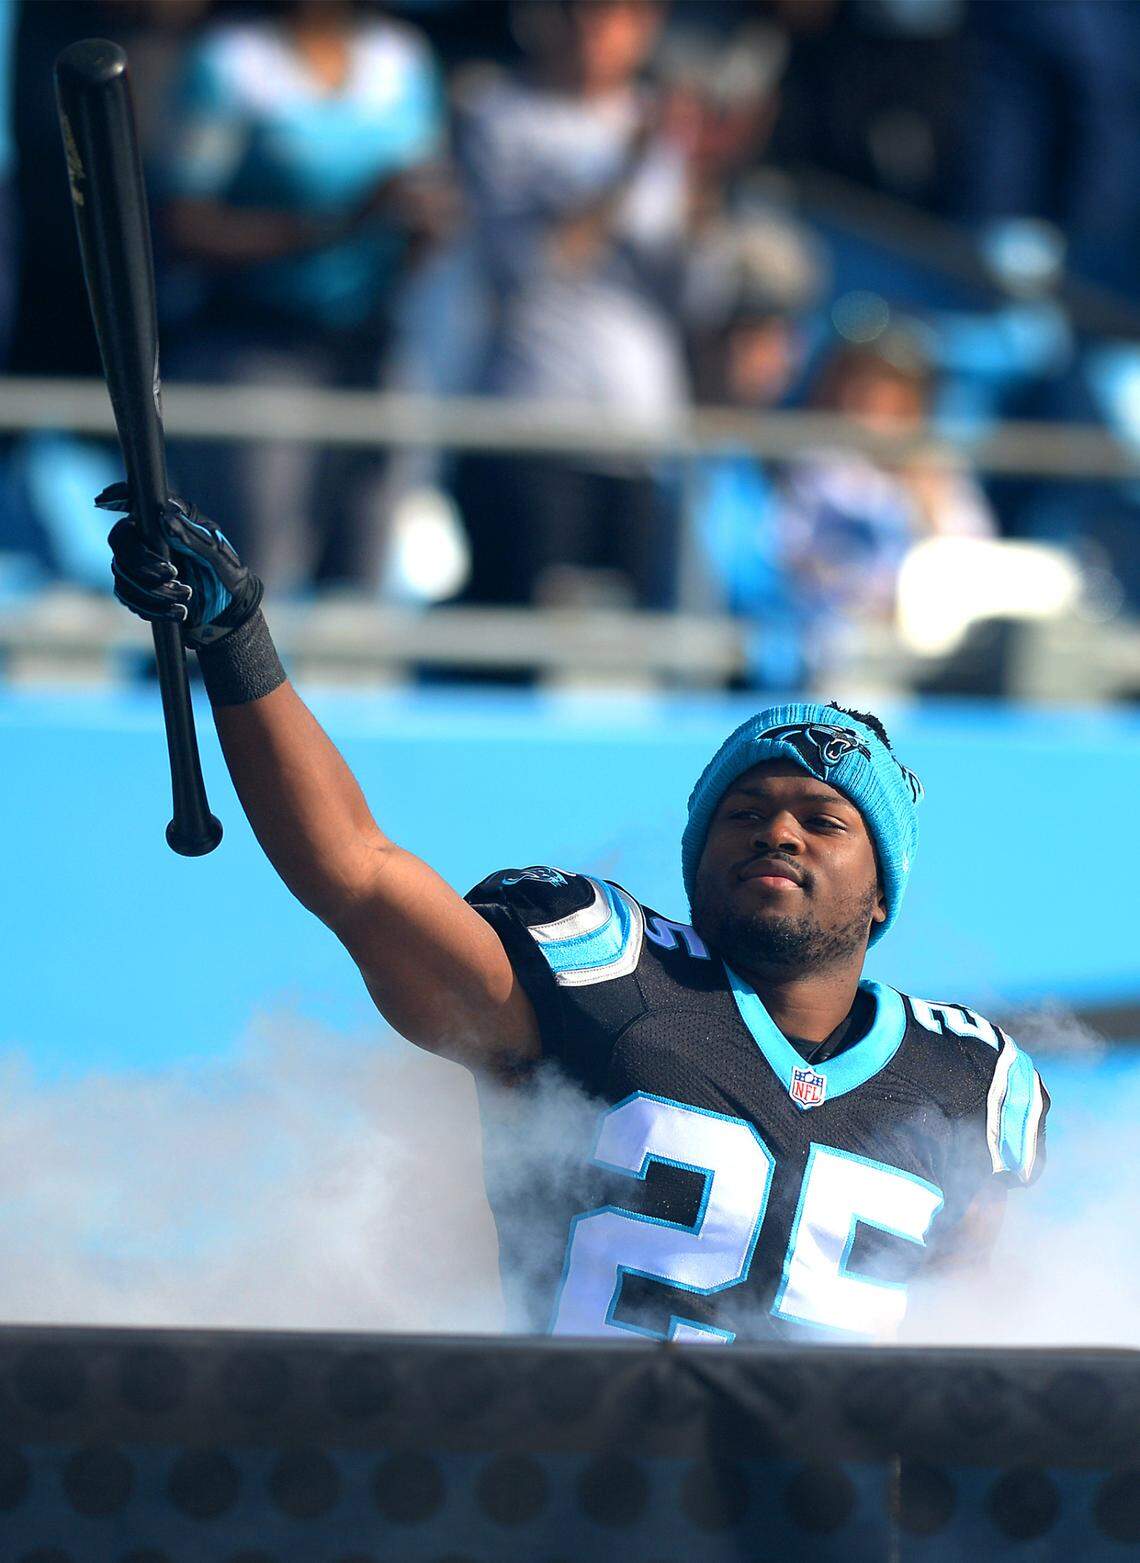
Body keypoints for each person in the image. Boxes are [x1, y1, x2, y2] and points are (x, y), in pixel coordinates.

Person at [101, 487, 1049, 1343]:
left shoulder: (966, 1083)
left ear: (883, 887)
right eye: (746, 813)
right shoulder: (605, 975)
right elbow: (357, 871)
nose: (780, 835)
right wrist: (238, 643)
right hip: (586, 1507)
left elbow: (970, 1359)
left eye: (824, 819)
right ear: (699, 859)